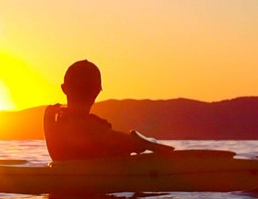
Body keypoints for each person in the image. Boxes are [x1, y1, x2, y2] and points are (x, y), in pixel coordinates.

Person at [44, 60, 172, 162]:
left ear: (64, 88)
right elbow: (128, 142)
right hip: (90, 181)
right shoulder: (81, 126)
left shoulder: (57, 119)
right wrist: (151, 145)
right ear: (98, 90)